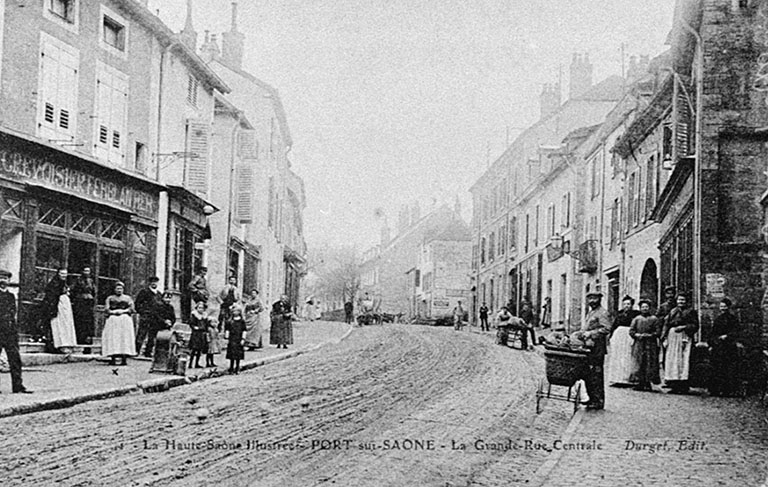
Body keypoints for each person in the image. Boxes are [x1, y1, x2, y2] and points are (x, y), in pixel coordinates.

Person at [575, 292, 611, 410]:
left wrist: (591, 333)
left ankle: (598, 401)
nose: (592, 301)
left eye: (595, 298)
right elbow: (587, 327)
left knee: (596, 374)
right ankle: (591, 398)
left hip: (597, 348)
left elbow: (606, 328)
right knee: (588, 374)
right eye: (590, 299)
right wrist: (581, 333)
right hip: (589, 347)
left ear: (599, 299)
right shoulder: (591, 312)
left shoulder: (602, 313)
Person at [0, 270, 31, 393]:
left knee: (15, 359)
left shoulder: (11, 296)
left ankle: (18, 386)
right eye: (1, 278)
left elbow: (13, 315)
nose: (3, 281)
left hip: (10, 332)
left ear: (9, 281)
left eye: (5, 278)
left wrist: (14, 330)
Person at [661, 294, 699, 394]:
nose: (681, 302)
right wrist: (664, 337)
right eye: (679, 300)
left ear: (686, 301)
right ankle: (674, 384)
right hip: (672, 337)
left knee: (684, 360)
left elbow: (695, 325)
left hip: (685, 336)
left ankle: (683, 385)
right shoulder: (673, 311)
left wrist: (684, 327)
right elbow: (666, 324)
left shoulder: (691, 311)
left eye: (683, 300)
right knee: (673, 360)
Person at [708, 298, 741, 397]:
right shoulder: (718, 319)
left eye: (724, 306)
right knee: (717, 368)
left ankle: (727, 390)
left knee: (728, 369)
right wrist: (712, 343)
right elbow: (713, 333)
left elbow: (736, 332)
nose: (722, 308)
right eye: (721, 306)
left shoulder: (733, 319)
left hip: (728, 347)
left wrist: (727, 336)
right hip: (718, 347)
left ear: (728, 307)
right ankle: (715, 390)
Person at [607, 295, 641, 386]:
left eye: (628, 304)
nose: (626, 306)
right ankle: (617, 378)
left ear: (632, 305)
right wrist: (611, 336)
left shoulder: (636, 314)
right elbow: (614, 325)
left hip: (629, 335)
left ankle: (627, 379)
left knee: (628, 356)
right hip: (619, 337)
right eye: (625, 304)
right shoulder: (619, 314)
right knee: (618, 357)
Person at [629, 299, 661, 392]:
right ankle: (640, 382)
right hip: (639, 343)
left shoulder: (654, 319)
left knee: (650, 362)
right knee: (639, 362)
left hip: (650, 344)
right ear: (640, 308)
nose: (645, 309)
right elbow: (631, 331)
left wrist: (649, 335)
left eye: (646, 307)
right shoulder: (636, 319)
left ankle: (648, 382)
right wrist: (636, 335)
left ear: (649, 308)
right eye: (643, 307)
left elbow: (658, 332)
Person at [101, 282, 136, 366]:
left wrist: (123, 311)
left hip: (124, 319)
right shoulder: (110, 298)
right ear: (114, 289)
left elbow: (132, 309)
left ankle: (124, 359)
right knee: (113, 337)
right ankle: (113, 358)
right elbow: (106, 309)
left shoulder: (127, 298)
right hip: (113, 319)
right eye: (117, 288)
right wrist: (113, 312)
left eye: (121, 289)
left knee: (124, 337)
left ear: (123, 289)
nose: (119, 290)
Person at [42, 268, 77, 352]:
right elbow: (52, 296)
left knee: (67, 324)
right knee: (59, 324)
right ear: (58, 274)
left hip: (65, 306)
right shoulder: (54, 283)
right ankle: (60, 345)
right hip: (58, 305)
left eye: (65, 274)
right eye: (62, 273)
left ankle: (67, 344)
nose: (64, 275)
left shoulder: (65, 283)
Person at [134, 276, 163, 358]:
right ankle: (136, 351)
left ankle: (148, 352)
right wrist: (142, 312)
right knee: (142, 333)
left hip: (155, 318)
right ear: (149, 283)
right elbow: (137, 303)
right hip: (145, 316)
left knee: (152, 335)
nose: (154, 283)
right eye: (152, 282)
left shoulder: (159, 294)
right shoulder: (144, 292)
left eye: (155, 282)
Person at [70, 267, 96, 347]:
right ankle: (79, 338)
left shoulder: (91, 281)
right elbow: (73, 290)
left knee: (88, 321)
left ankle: (87, 339)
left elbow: (94, 291)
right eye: (85, 271)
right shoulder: (78, 280)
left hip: (88, 304)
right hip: (80, 303)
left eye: (88, 271)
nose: (87, 272)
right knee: (80, 320)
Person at [188, 301, 210, 368]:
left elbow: (206, 324)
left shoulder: (204, 316)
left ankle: (197, 363)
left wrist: (206, 330)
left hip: (202, 334)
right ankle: (190, 363)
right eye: (199, 308)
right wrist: (195, 327)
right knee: (194, 349)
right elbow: (191, 323)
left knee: (199, 349)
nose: (201, 309)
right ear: (196, 308)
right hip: (196, 334)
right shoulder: (194, 315)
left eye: (202, 308)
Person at [226, 305, 247, 374]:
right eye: (234, 311)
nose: (235, 312)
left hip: (239, 339)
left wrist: (243, 339)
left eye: (237, 311)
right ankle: (231, 368)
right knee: (232, 354)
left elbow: (244, 330)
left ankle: (237, 368)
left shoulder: (242, 321)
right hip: (232, 339)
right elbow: (227, 330)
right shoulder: (230, 321)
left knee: (238, 354)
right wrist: (227, 338)